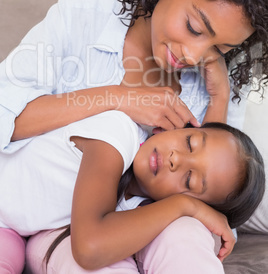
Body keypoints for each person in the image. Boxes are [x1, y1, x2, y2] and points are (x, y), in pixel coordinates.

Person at [0, 0, 267, 273]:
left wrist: (218, 100)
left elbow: (214, 200)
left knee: (185, 236)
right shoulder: (80, 17)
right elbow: (6, 118)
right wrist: (120, 98)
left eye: (219, 49)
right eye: (193, 26)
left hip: (120, 224)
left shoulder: (215, 82)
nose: (193, 55)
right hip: (38, 213)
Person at [0, 111, 265, 274]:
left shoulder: (137, 205)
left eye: (189, 180)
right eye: (189, 142)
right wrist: (188, 205)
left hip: (10, 233)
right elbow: (90, 247)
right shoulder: (116, 134)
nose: (176, 160)